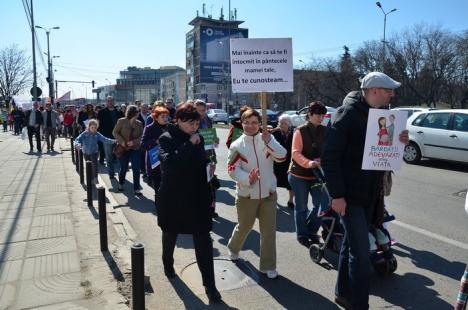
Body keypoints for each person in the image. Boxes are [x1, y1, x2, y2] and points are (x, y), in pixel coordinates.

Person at [321, 72, 409, 309]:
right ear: (373, 91)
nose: (393, 94)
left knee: (351, 246)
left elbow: (381, 154)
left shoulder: (380, 115)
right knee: (361, 256)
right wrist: (337, 196)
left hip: (369, 194)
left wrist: (400, 142)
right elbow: (329, 159)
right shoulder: (346, 114)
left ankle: (342, 292)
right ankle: (359, 305)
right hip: (349, 197)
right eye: (388, 90)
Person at [157, 103, 221, 303]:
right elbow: (171, 164)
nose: (194, 126)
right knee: (170, 234)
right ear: (178, 120)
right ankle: (167, 263)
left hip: (197, 197)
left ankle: (210, 286)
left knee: (203, 240)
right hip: (173, 197)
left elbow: (200, 161)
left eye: (197, 123)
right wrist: (189, 144)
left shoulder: (199, 137)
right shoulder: (166, 138)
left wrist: (211, 175)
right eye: (190, 123)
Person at [227, 108, 287, 279]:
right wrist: (247, 178)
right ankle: (233, 247)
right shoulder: (237, 145)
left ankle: (268, 266)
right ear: (242, 123)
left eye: (254, 122)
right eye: (246, 122)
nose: (250, 126)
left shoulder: (267, 139)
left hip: (268, 194)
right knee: (244, 226)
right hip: (247, 195)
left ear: (260, 124)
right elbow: (232, 169)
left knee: (269, 232)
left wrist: (270, 142)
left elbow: (282, 157)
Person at [288, 101, 329, 247]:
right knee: (301, 207)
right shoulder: (300, 130)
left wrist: (322, 160)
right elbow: (295, 153)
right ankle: (302, 234)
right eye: (318, 114)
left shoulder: (325, 130)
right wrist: (309, 163)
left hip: (318, 175)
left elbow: (329, 151)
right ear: (309, 115)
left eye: (323, 115)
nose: (321, 117)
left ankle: (311, 230)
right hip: (299, 175)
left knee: (322, 205)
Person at [140, 106, 169, 210]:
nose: (165, 119)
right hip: (155, 164)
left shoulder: (169, 127)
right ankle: (160, 209)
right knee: (158, 189)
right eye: (163, 116)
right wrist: (155, 142)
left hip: (168, 163)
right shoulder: (149, 128)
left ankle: (166, 207)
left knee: (168, 188)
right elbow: (142, 144)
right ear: (156, 117)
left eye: (167, 116)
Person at [195, 99, 220, 218]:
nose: (201, 113)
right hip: (197, 157)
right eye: (199, 110)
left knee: (211, 183)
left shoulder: (208, 120)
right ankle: (200, 210)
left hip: (209, 155)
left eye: (203, 110)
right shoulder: (192, 121)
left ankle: (211, 209)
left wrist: (215, 140)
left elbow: (212, 136)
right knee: (200, 185)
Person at [113, 105, 144, 194]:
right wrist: (122, 142)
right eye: (137, 111)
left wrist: (134, 142)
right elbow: (115, 132)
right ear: (133, 112)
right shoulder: (121, 121)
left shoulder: (139, 123)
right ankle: (121, 183)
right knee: (124, 168)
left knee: (136, 168)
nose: (138, 113)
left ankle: (136, 188)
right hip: (123, 148)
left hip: (135, 148)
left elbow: (142, 136)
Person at [74, 119, 116, 184]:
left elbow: (104, 139)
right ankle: (90, 179)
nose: (94, 129)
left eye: (95, 128)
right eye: (92, 127)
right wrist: (77, 144)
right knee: (89, 166)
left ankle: (95, 178)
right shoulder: (85, 133)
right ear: (89, 127)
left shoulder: (97, 134)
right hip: (86, 152)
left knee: (95, 165)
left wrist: (114, 141)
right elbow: (77, 139)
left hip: (94, 152)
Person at [271, 113, 294, 208]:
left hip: (289, 162)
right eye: (280, 122)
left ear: (288, 124)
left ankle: (291, 200)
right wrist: (272, 131)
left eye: (283, 123)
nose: (280, 124)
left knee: (290, 183)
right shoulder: (275, 133)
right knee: (273, 181)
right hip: (276, 161)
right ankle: (273, 199)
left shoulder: (294, 133)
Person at [98, 96, 124, 179]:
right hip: (107, 138)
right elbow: (99, 125)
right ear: (106, 102)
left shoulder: (119, 112)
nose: (110, 102)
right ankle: (111, 173)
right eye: (108, 101)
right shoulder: (101, 112)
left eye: (111, 100)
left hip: (118, 137)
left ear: (114, 101)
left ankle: (121, 174)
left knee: (120, 156)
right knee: (108, 156)